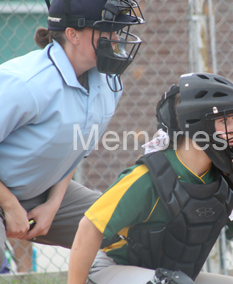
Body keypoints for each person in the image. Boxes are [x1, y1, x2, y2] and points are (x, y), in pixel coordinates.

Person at [64, 73, 233, 284]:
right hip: (111, 274)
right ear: (197, 126)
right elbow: (89, 226)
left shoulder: (223, 177)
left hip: (174, 283)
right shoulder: (150, 177)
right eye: (227, 122)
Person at [0, 0, 145, 265]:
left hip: (39, 190)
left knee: (135, 231)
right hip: (4, 192)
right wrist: (9, 205)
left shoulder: (108, 82)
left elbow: (74, 152)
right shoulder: (25, 83)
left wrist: (53, 204)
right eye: (107, 30)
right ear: (72, 34)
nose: (115, 38)